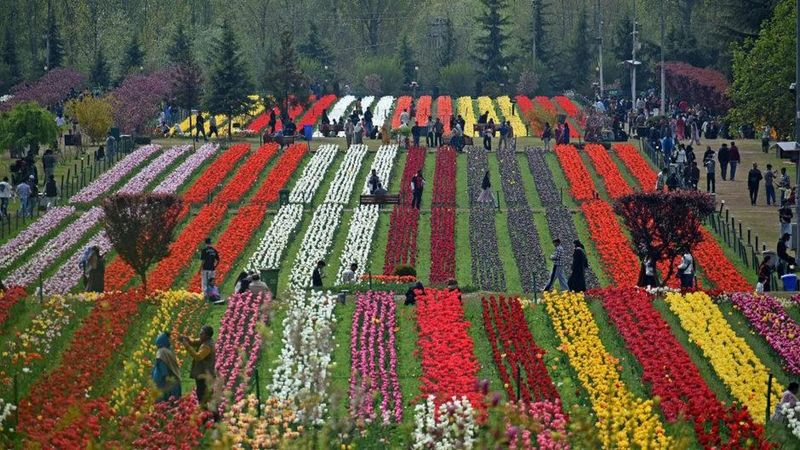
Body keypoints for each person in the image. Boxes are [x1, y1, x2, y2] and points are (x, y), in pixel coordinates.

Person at [180, 326, 216, 408]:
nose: (200, 334)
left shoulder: (207, 346)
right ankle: (211, 416)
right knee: (206, 396)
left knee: (203, 396)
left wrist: (187, 346)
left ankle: (206, 417)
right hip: (203, 374)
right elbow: (194, 342)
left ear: (207, 335)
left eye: (202, 333)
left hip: (204, 375)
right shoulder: (204, 341)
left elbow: (198, 357)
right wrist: (186, 339)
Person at [151, 332, 181, 402]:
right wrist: (166, 376)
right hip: (163, 378)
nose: (170, 340)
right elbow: (162, 366)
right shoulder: (162, 352)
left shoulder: (164, 350)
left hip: (162, 377)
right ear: (164, 340)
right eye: (168, 339)